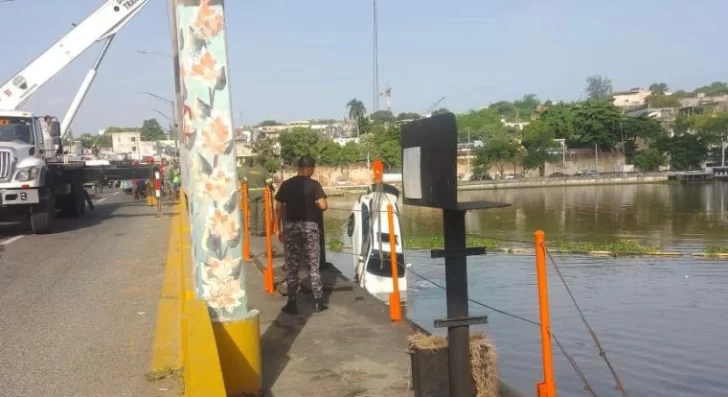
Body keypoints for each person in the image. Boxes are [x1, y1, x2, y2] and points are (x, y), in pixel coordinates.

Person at [275, 155, 328, 314]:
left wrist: (278, 228)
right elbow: (323, 205)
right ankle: (318, 302)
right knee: (313, 265)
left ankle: (292, 303)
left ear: (298, 167)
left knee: (293, 266)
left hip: (291, 227)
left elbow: (278, 208)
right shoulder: (314, 185)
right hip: (309, 227)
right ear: (310, 168)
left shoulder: (286, 184)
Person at [239, 158, 273, 236]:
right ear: (262, 163)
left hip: (251, 193)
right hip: (261, 193)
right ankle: (261, 231)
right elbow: (269, 182)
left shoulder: (249, 171)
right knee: (261, 212)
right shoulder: (264, 171)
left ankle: (253, 230)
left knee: (253, 212)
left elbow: (244, 181)